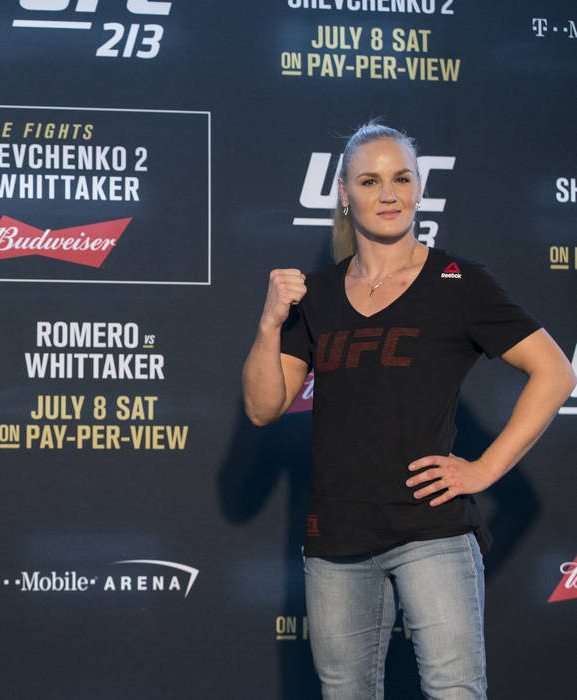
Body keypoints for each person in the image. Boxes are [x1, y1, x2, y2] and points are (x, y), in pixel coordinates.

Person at [241, 121, 575, 699]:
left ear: (420, 188)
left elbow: (556, 371)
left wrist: (484, 469)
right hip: (336, 537)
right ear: (344, 194)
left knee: (454, 691)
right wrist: (271, 322)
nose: (389, 194)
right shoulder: (316, 295)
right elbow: (263, 407)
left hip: (431, 533)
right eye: (370, 181)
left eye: (402, 178)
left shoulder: (459, 282)